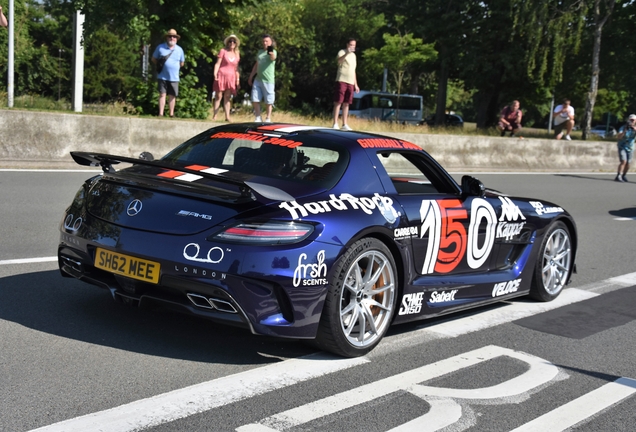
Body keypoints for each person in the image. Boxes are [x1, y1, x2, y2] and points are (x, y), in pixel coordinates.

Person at [151, 29, 185, 117]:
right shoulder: (160, 47)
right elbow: (154, 59)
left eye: (174, 37)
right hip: (162, 76)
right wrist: (161, 65)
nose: (172, 38)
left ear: (176, 39)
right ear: (167, 38)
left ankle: (171, 113)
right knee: (162, 94)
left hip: (174, 77)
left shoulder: (180, 50)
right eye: (170, 36)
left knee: (172, 95)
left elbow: (182, 63)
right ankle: (161, 113)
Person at [248, 34, 277, 122]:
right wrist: (251, 76)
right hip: (258, 79)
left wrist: (271, 52)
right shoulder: (260, 52)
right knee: (255, 98)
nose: (265, 43)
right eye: (263, 41)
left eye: (266, 41)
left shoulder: (272, 51)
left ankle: (268, 118)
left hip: (268, 80)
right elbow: (257, 65)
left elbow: (273, 58)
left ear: (270, 42)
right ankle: (258, 116)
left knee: (268, 100)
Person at [332, 39, 359, 130]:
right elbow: (339, 61)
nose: (352, 47)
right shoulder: (342, 52)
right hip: (342, 80)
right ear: (347, 44)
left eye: (354, 45)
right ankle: (335, 123)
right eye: (351, 45)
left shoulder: (354, 56)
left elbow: (353, 70)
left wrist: (356, 84)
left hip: (350, 82)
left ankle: (344, 124)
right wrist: (347, 53)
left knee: (347, 103)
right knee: (338, 101)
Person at [212, 35, 241, 122]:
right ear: (227, 43)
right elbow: (217, 63)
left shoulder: (237, 54)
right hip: (221, 75)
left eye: (234, 41)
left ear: (236, 44)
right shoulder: (223, 51)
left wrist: (237, 80)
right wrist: (215, 73)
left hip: (231, 77)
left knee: (227, 96)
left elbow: (236, 69)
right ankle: (215, 115)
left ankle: (227, 116)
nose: (232, 43)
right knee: (218, 95)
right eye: (230, 41)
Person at [614, 114, 636, 182]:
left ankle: (624, 175)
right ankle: (618, 175)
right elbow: (619, 137)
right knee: (624, 161)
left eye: (633, 120)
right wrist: (624, 131)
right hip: (622, 146)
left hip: (630, 148)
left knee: (628, 163)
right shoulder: (623, 127)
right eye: (630, 120)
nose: (631, 121)